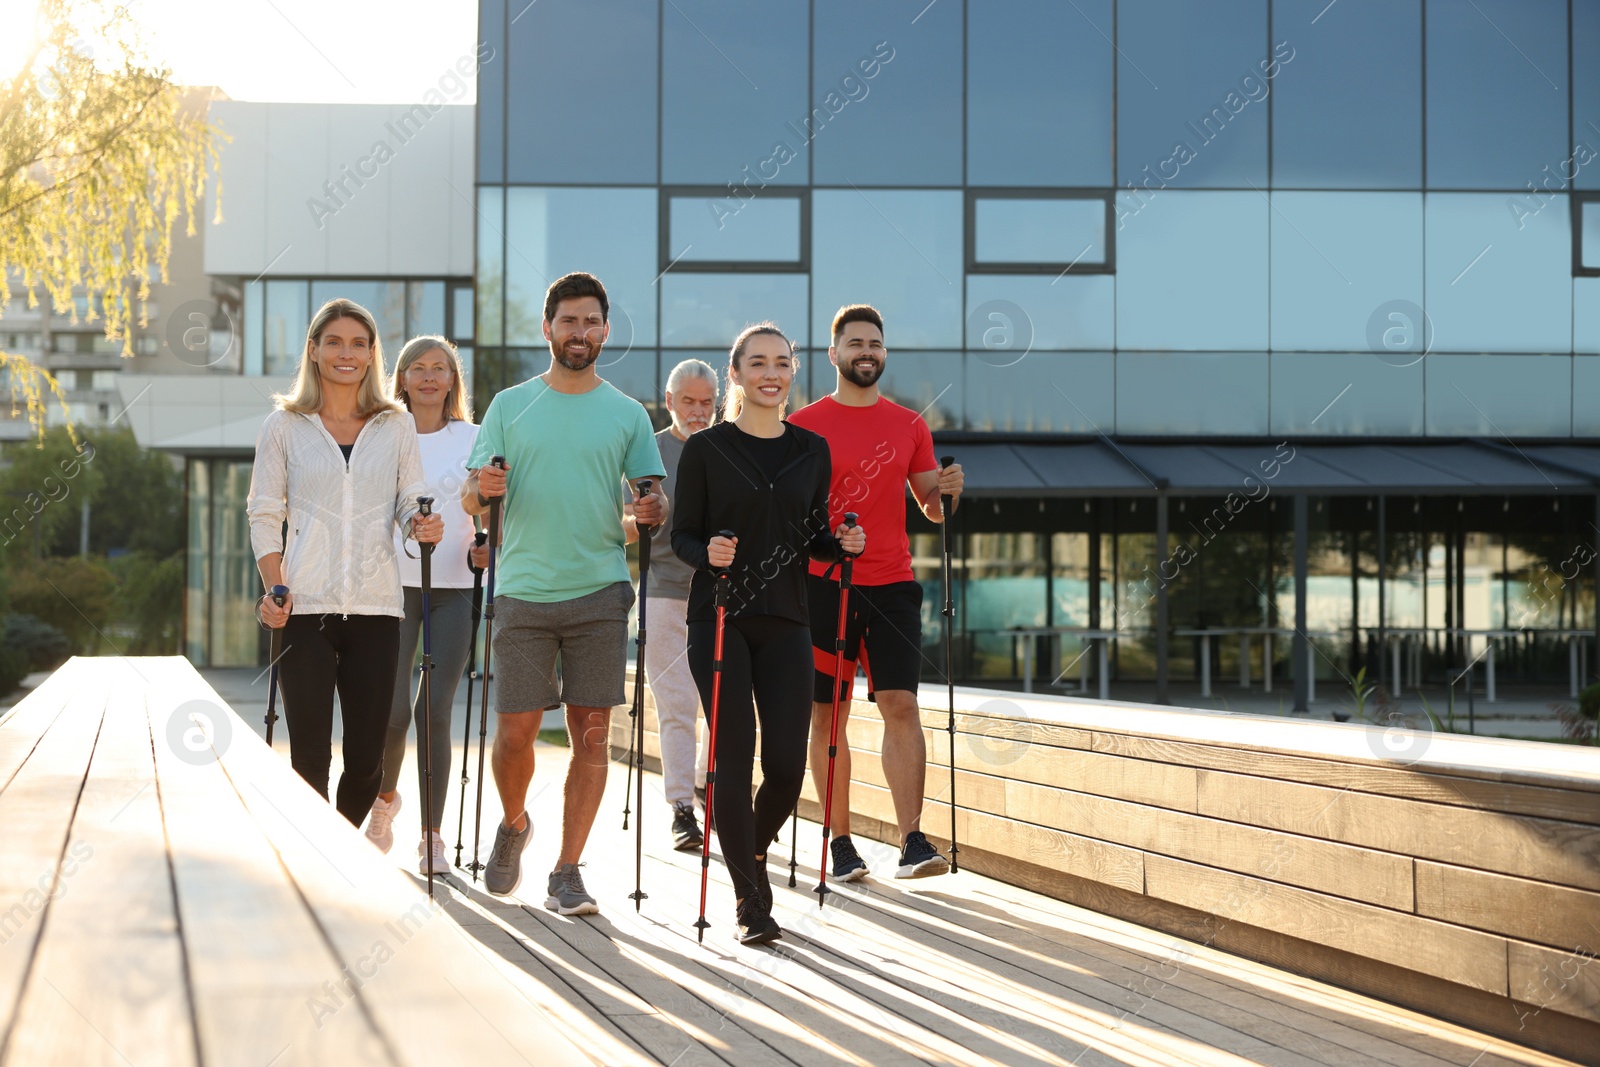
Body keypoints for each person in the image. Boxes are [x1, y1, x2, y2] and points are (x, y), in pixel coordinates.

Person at [462, 272, 666, 914]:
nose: (580, 333)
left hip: (600, 591)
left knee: (593, 732)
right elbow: (472, 496)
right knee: (516, 732)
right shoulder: (508, 405)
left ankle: (568, 870)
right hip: (522, 591)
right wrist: (480, 494)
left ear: (606, 331)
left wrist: (653, 509)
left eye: (592, 323)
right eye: (569, 322)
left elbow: (648, 502)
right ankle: (515, 823)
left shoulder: (629, 415)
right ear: (548, 329)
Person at [672, 323, 865, 945]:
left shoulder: (812, 450)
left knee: (784, 765)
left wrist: (841, 546)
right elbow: (682, 536)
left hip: (788, 619)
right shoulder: (707, 448)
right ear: (736, 373)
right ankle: (750, 899)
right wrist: (710, 553)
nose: (771, 373)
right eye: (758, 362)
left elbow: (812, 536)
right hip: (720, 618)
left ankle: (750, 853)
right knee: (732, 759)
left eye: (782, 362)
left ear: (793, 372)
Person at [248, 298, 444, 826]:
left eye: (359, 344)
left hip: (377, 609)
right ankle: (321, 873)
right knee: (308, 758)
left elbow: (410, 497)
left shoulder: (395, 424)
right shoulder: (283, 426)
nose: (346, 353)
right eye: (333, 342)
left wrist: (418, 524)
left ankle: (340, 844)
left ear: (372, 354)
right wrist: (275, 587)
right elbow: (264, 514)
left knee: (366, 764)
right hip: (305, 611)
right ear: (313, 351)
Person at [790, 303, 964, 882]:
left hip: (892, 585)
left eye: (876, 344)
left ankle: (912, 839)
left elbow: (932, 510)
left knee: (902, 706)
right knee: (827, 715)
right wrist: (831, 539)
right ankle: (840, 844)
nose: (867, 351)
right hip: (825, 587)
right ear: (834, 353)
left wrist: (948, 491)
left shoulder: (910, 424)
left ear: (883, 354)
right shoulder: (805, 425)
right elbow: (793, 517)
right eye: (856, 343)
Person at [364, 336, 490, 874]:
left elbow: (491, 505)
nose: (430, 377)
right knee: (391, 712)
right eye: (419, 368)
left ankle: (432, 837)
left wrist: (490, 542)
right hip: (391, 589)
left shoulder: (476, 436)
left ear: (452, 379)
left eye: (440, 368)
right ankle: (384, 801)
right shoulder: (384, 433)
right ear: (403, 377)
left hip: (455, 587)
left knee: (433, 709)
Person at [638, 358, 717, 852]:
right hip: (665, 589)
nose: (697, 411)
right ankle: (681, 808)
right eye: (687, 401)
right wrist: (642, 515)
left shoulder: (728, 448)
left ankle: (710, 785)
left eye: (706, 402)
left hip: (722, 594)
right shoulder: (649, 450)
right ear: (669, 402)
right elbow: (622, 518)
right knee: (676, 704)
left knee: (723, 704)